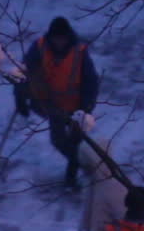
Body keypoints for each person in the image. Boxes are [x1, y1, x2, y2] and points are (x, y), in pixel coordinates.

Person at [19, 17, 100, 188]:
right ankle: (84, 163)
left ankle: (71, 178)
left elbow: (91, 80)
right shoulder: (39, 47)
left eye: (62, 38)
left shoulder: (79, 51)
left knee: (75, 141)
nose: (59, 42)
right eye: (56, 38)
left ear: (68, 37)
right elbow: (24, 72)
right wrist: (20, 96)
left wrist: (87, 107)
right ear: (51, 37)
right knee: (58, 141)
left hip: (76, 107)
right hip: (52, 106)